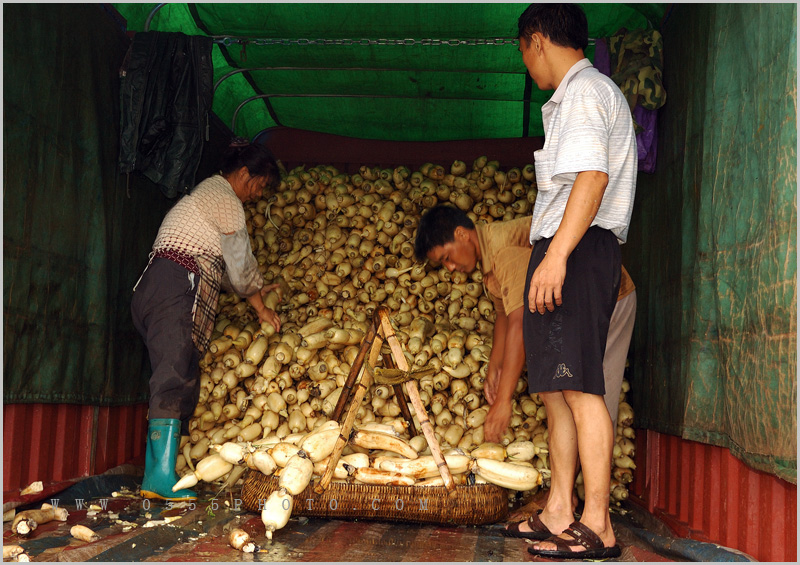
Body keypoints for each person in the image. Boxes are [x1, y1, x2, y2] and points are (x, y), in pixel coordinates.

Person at [513, 3, 638, 560]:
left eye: (523, 51)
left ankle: (597, 524)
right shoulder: (574, 97)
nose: (526, 63)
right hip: (570, 246)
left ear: (537, 40)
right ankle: (560, 510)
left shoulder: (586, 92)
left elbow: (592, 176)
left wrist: (558, 255)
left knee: (582, 389)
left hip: (580, 248)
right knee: (558, 389)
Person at [131, 139, 282, 501]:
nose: (257, 195)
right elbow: (241, 269)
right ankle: (158, 477)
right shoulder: (225, 198)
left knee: (178, 372)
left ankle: (163, 472)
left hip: (157, 286)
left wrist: (257, 288)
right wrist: (261, 307)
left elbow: (223, 269)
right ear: (244, 174)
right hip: (174, 286)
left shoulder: (207, 194)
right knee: (172, 375)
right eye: (259, 186)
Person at [414, 205, 531, 444]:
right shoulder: (488, 262)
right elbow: (504, 315)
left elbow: (520, 323)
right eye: (443, 264)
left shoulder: (502, 252)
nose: (450, 268)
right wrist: (494, 367)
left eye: (447, 258)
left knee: (581, 399)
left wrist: (503, 400)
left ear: (461, 234)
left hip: (601, 300)